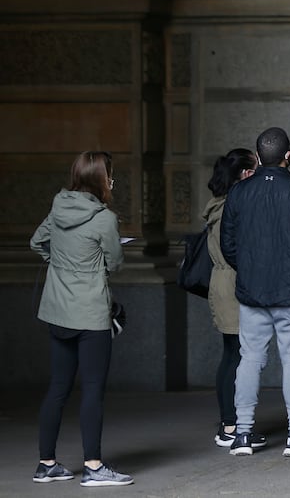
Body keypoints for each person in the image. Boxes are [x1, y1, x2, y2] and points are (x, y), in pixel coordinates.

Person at [221, 127, 290, 457]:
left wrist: (250, 269)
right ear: (288, 155)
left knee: (250, 358)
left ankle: (242, 433)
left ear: (257, 158)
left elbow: (228, 244)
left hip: (252, 291)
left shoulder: (239, 194)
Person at [30, 151, 133, 486]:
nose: (113, 181)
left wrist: (61, 263)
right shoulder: (104, 219)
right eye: (111, 175)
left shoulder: (58, 206)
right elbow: (115, 263)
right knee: (92, 391)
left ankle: (46, 464)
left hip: (57, 312)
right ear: (102, 180)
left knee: (58, 388)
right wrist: (89, 270)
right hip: (90, 314)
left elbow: (37, 242)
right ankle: (93, 467)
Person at [202, 148, 265, 448]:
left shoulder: (221, 204)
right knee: (236, 357)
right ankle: (230, 425)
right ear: (245, 174)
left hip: (224, 281)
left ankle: (230, 423)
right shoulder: (231, 208)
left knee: (233, 355)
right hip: (233, 284)